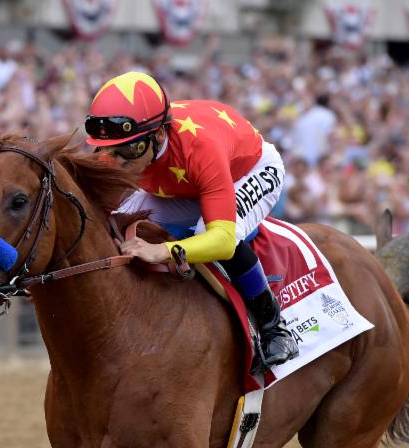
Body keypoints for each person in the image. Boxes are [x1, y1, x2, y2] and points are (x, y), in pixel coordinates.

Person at [84, 71, 298, 372]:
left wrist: (163, 250)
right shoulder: (119, 149)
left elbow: (222, 240)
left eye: (129, 150)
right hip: (185, 182)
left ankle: (274, 326)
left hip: (248, 171)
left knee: (205, 233)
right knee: (116, 221)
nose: (117, 162)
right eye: (106, 150)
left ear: (158, 135)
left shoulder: (200, 148)